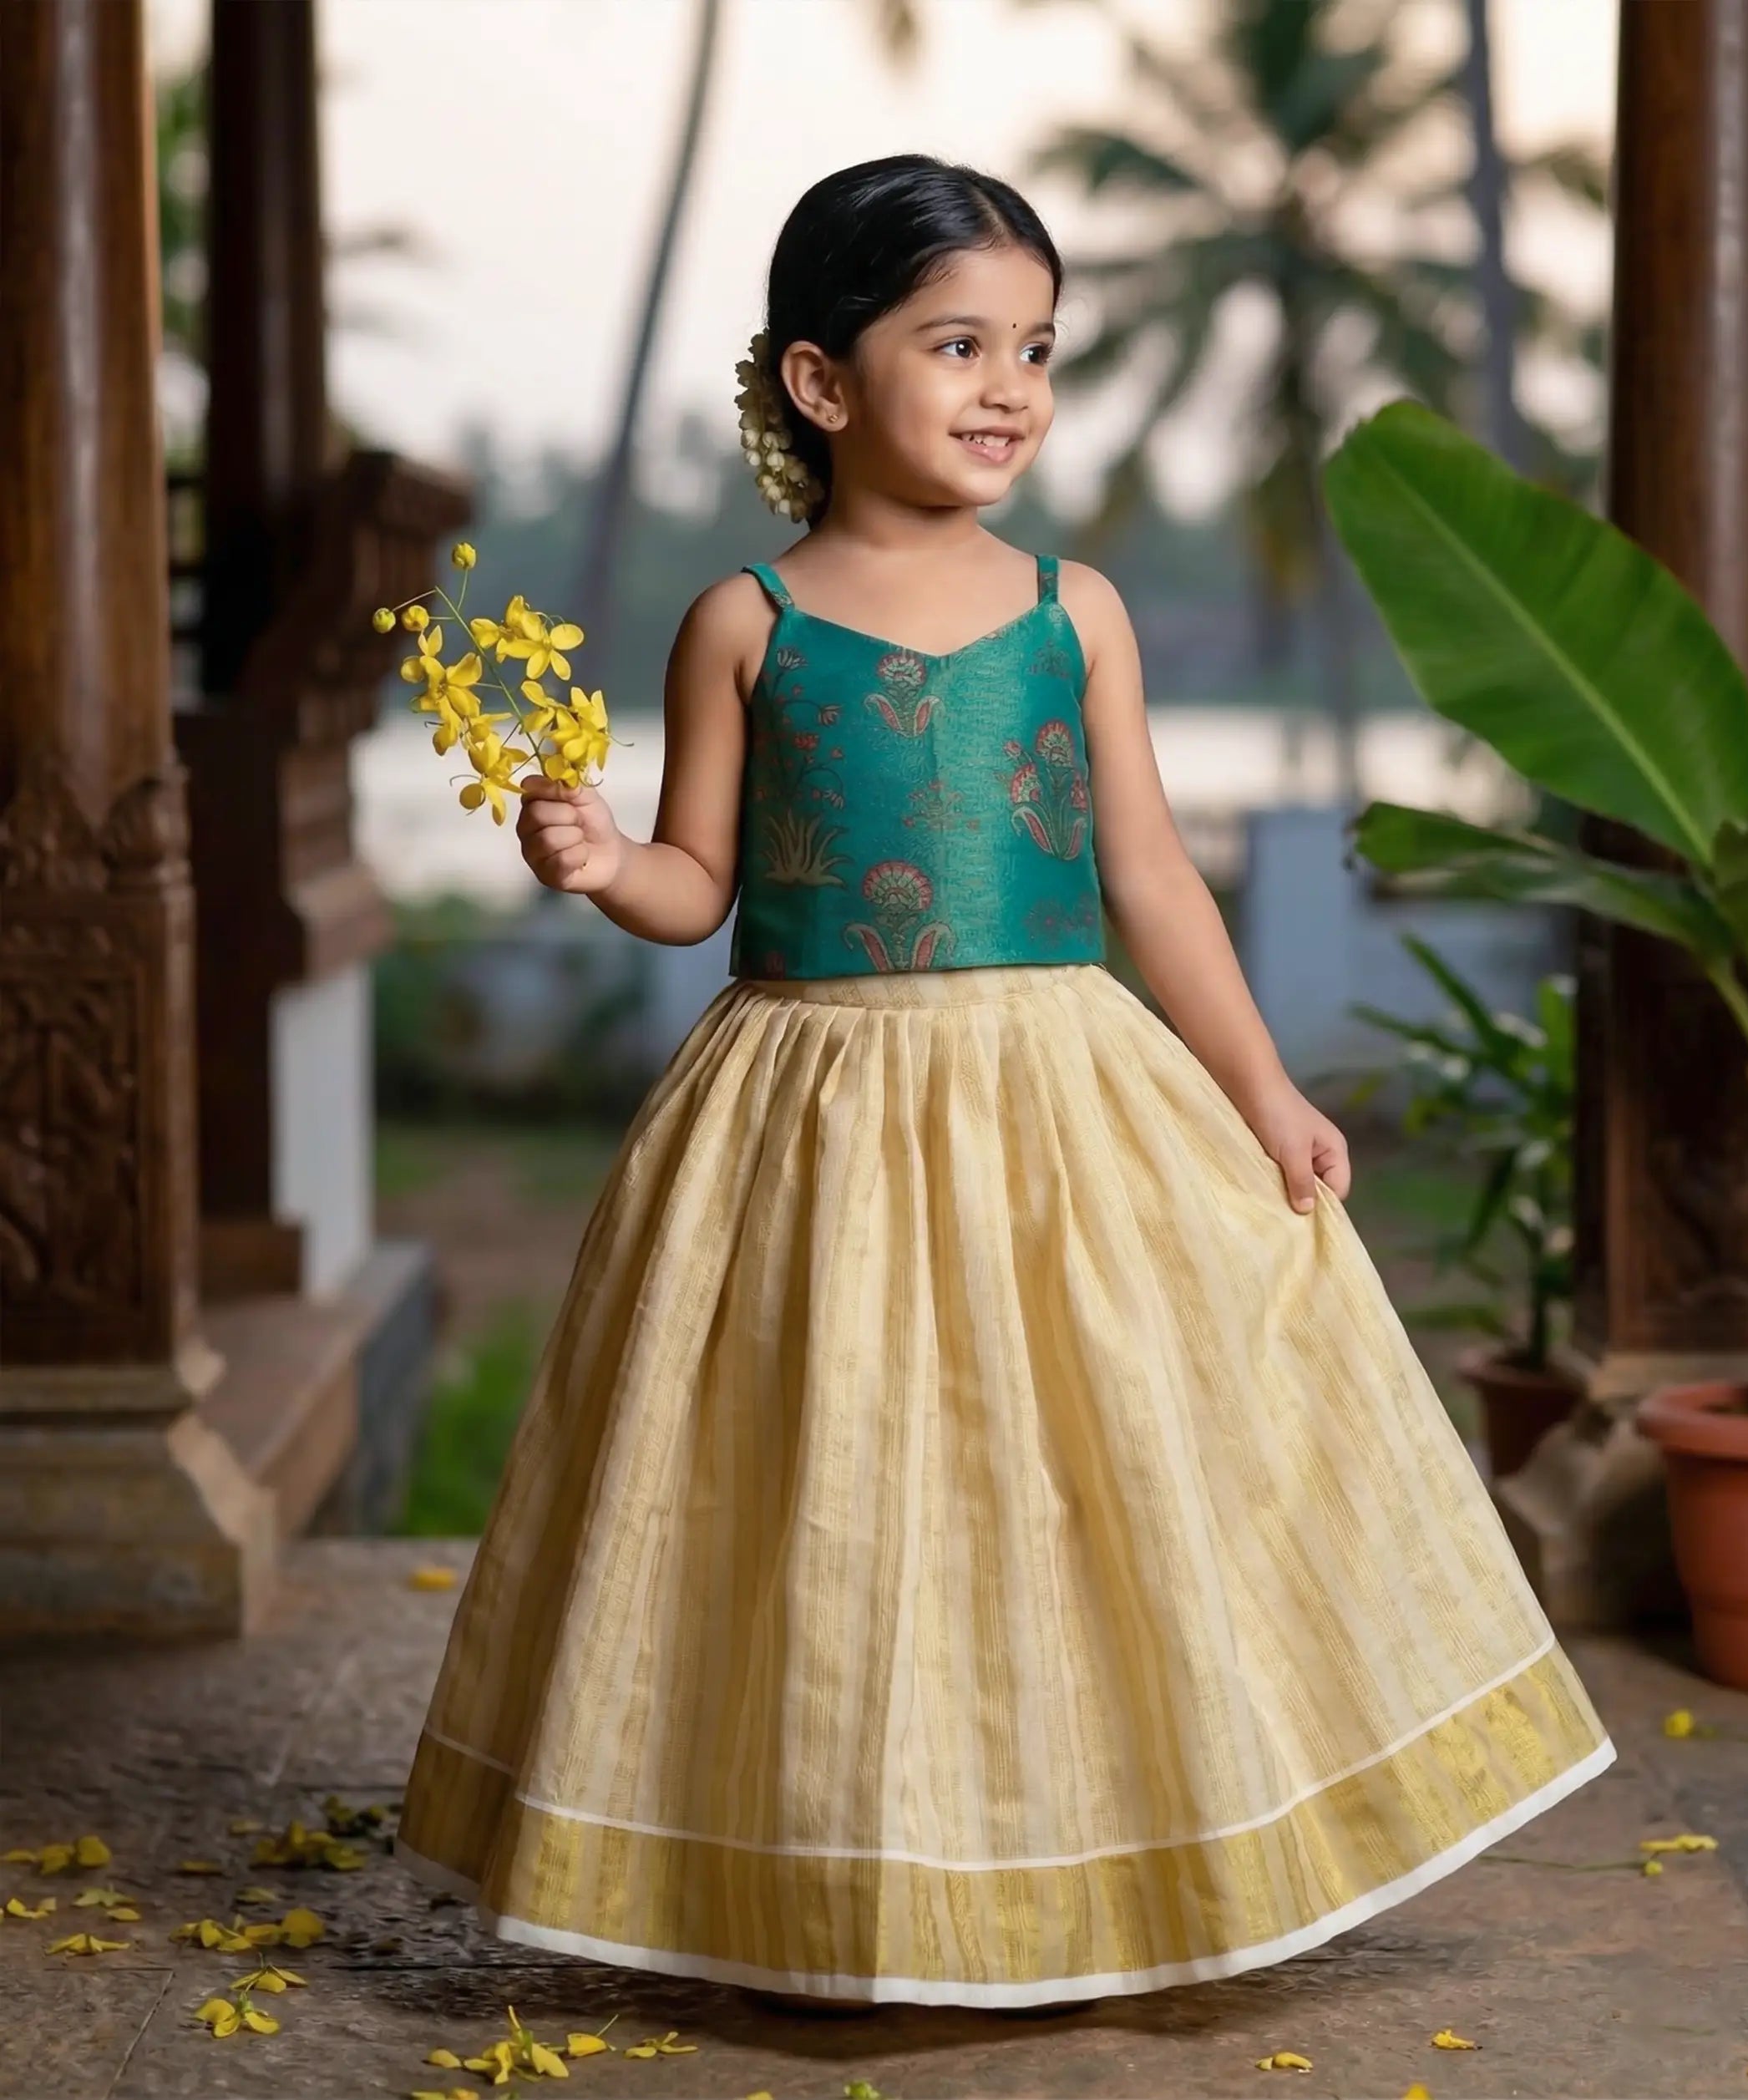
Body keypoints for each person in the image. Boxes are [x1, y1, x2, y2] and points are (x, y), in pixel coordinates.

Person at [395, 153, 1613, 2015]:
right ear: (820, 383)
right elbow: (696, 891)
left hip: (1059, 1089)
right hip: (808, 1109)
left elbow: (1145, 881)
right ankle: (826, 1872)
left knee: (1081, 1467)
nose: (1006, 389)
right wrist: (596, 858)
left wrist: (1260, 1091)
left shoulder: (1075, 613)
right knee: (831, 1485)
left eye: (1033, 348)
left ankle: (1101, 1856)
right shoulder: (745, 622)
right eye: (953, 342)